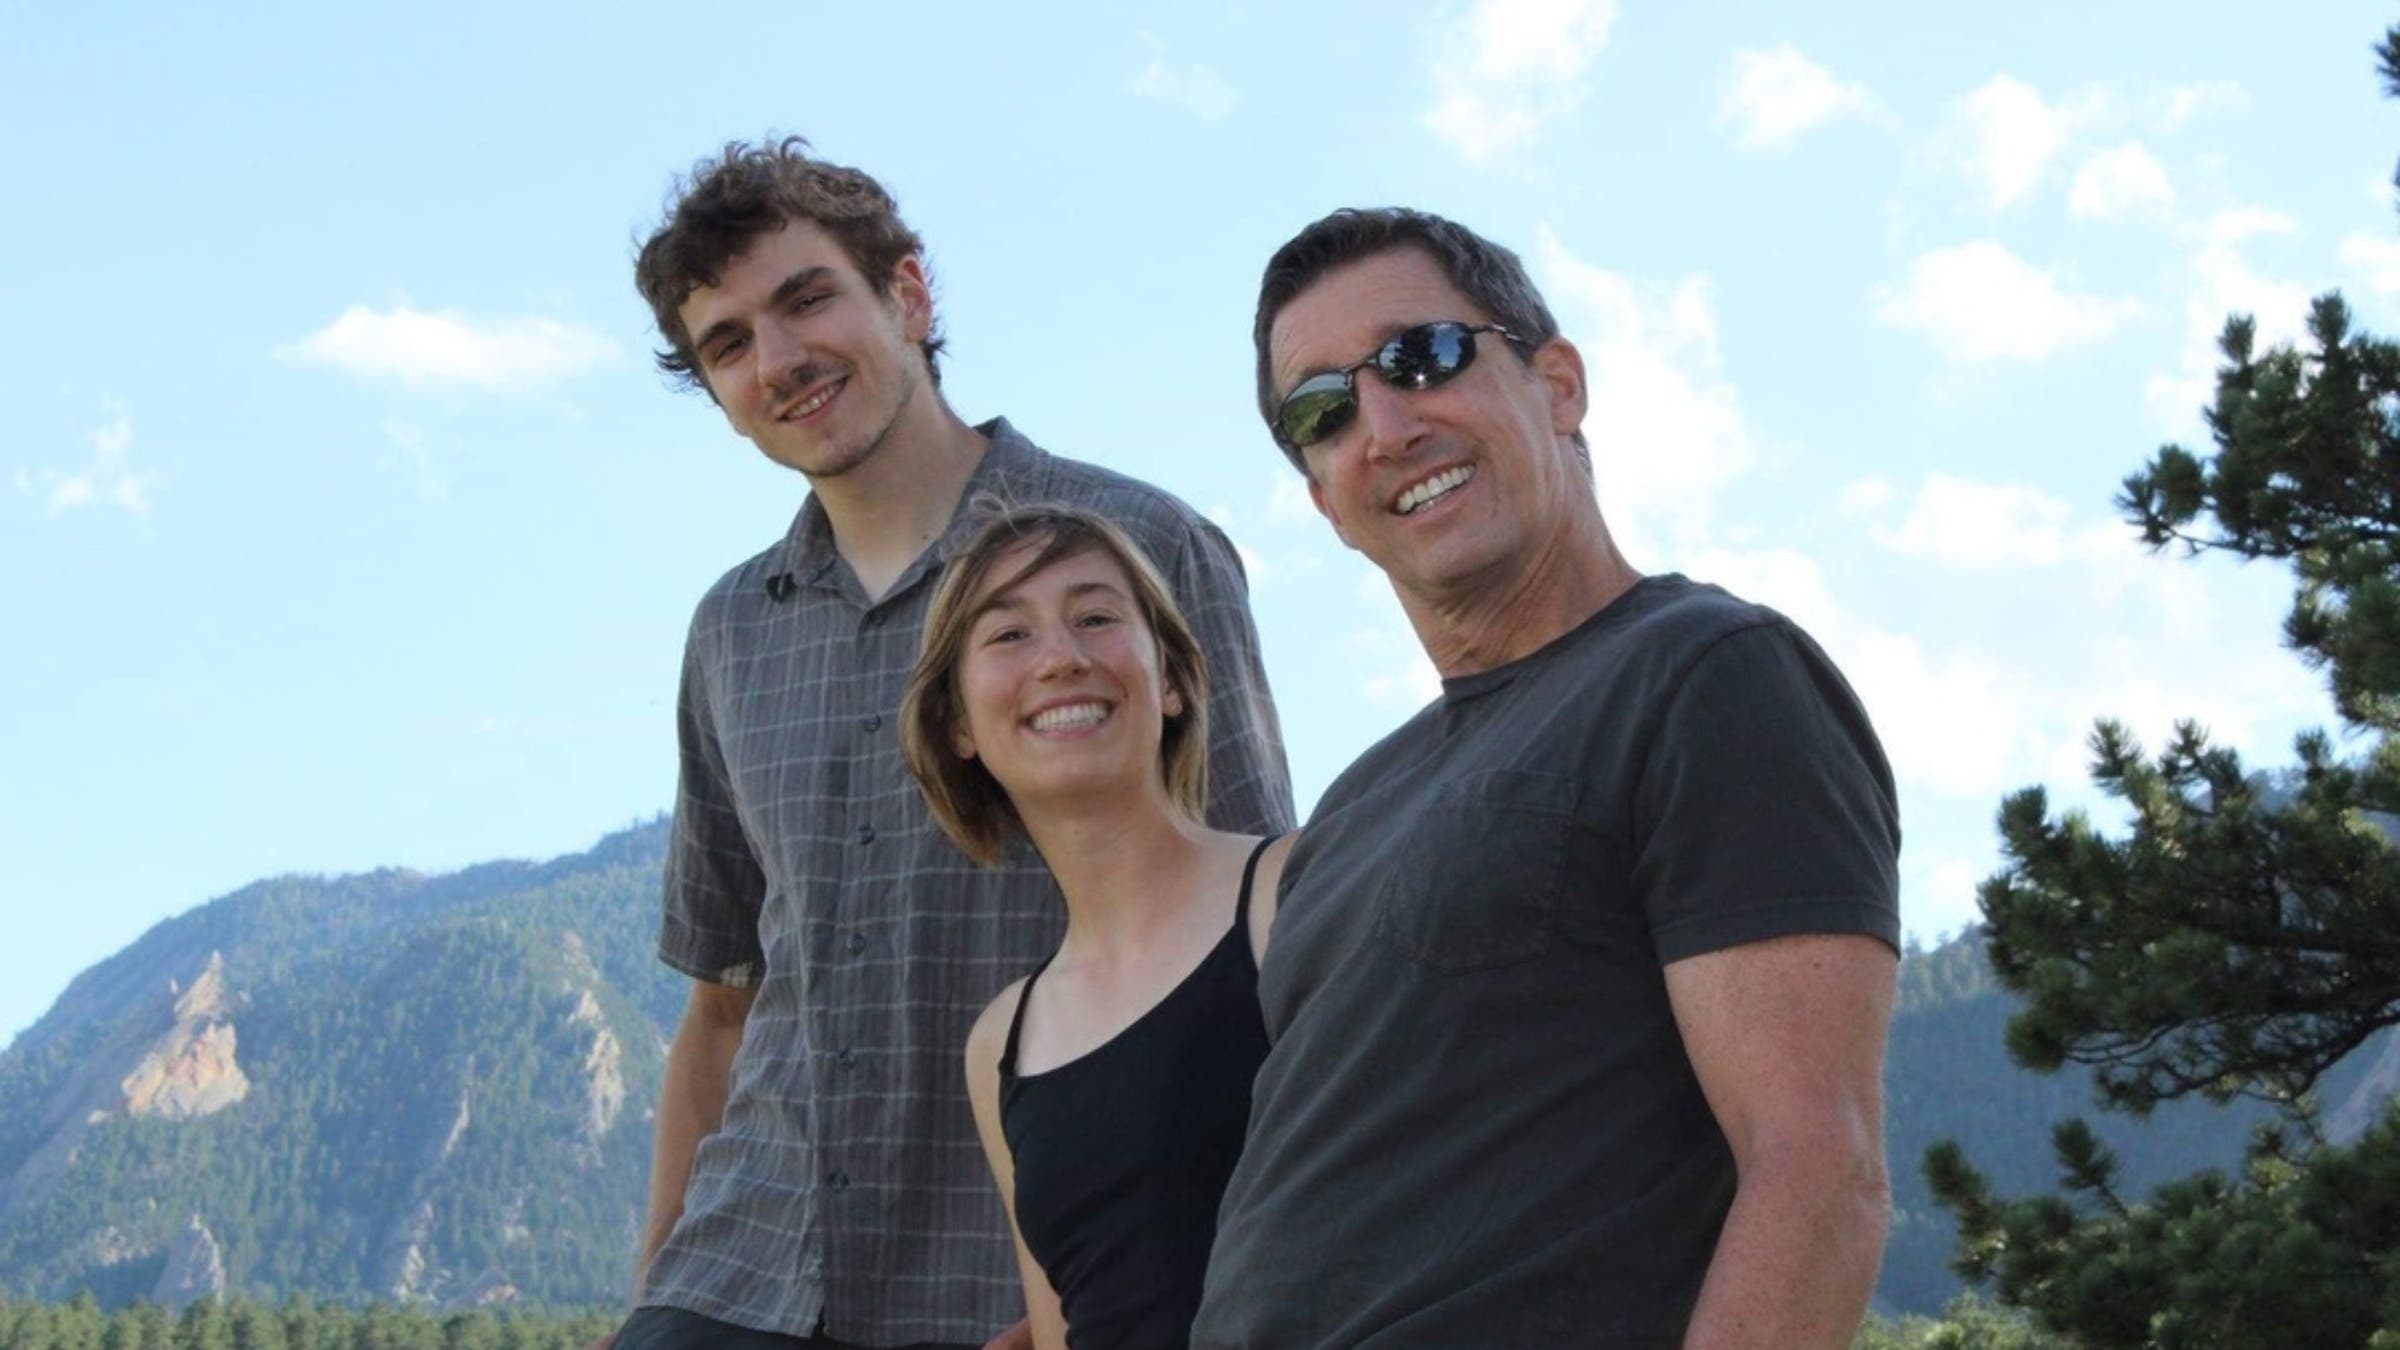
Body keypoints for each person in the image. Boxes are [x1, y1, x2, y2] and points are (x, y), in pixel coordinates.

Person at [610, 138, 1292, 1350]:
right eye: (727, 344)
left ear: (911, 297)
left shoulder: (1137, 550)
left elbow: (1262, 949)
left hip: (1011, 1286)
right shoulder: (728, 632)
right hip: (741, 1282)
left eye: (807, 298)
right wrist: (653, 1292)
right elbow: (721, 1004)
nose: (778, 361)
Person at [1189, 208, 1902, 1349]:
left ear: (1557, 382)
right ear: (1323, 499)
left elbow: (1819, 1167)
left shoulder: (1704, 673)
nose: (1384, 425)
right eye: (1322, 410)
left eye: (1421, 357)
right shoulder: (1348, 814)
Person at [897, 503, 1290, 1350]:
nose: (1062, 660)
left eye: (1097, 617)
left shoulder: (1293, 895)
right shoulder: (1000, 1045)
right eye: (1008, 636)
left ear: (1174, 680)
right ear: (958, 724)